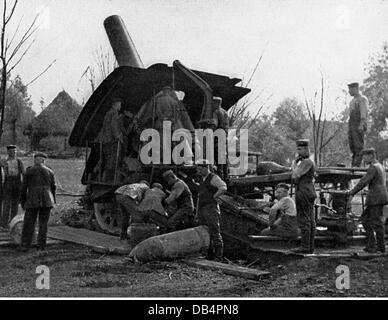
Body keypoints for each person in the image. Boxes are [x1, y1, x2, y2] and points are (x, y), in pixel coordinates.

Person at [348, 148, 388, 253]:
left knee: (374, 222)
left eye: (365, 156)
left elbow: (363, 182)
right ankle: (375, 245)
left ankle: (377, 246)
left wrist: (352, 192)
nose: (363, 158)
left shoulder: (373, 167)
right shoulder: (380, 166)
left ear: (371, 156)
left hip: (376, 199)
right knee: (369, 221)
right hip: (378, 198)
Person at [19, 152, 56, 251]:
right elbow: (53, 188)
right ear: (43, 161)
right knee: (43, 224)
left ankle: (25, 245)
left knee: (29, 223)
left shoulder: (29, 171)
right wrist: (53, 201)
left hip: (32, 199)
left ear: (35, 160)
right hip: (47, 200)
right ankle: (41, 246)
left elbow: (23, 188)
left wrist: (23, 202)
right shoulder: (50, 171)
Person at [195, 159, 227, 261]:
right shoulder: (202, 179)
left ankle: (218, 257)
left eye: (200, 170)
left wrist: (214, 196)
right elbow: (200, 196)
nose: (199, 172)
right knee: (206, 232)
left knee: (215, 232)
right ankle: (209, 254)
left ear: (206, 168)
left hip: (211, 208)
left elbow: (223, 187)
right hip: (203, 208)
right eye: (198, 170)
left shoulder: (213, 177)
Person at [291, 139, 317, 254]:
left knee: (304, 220)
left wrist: (294, 163)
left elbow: (295, 174)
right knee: (310, 220)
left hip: (304, 192)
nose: (298, 152)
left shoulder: (306, 162)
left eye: (300, 149)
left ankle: (305, 247)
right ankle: (310, 247)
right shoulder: (308, 162)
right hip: (308, 191)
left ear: (306, 149)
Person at [99, 97, 123, 181]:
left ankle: (104, 177)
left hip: (105, 139)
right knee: (111, 159)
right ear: (115, 105)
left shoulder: (108, 113)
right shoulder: (114, 113)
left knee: (107, 159)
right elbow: (114, 126)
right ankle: (108, 178)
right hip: (110, 140)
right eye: (119, 104)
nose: (120, 106)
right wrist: (118, 137)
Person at [0, 145, 25, 228]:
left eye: (14, 151)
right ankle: (3, 224)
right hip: (7, 184)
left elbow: (23, 173)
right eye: (11, 151)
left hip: (17, 184)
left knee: (15, 205)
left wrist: (24, 186)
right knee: (6, 204)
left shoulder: (19, 161)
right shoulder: (3, 161)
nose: (13, 153)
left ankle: (12, 223)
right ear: (8, 152)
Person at [347, 82, 369, 167]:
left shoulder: (362, 99)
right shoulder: (352, 101)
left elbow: (364, 113)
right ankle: (354, 165)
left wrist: (361, 124)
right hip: (352, 125)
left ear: (356, 88)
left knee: (358, 146)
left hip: (358, 124)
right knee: (352, 146)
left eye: (351, 89)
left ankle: (357, 165)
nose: (349, 91)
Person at [212, 96, 229, 180]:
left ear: (216, 103)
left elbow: (215, 124)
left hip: (218, 135)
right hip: (224, 134)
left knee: (217, 154)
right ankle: (226, 175)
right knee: (224, 155)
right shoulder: (225, 112)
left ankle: (220, 176)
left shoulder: (216, 112)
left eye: (213, 103)